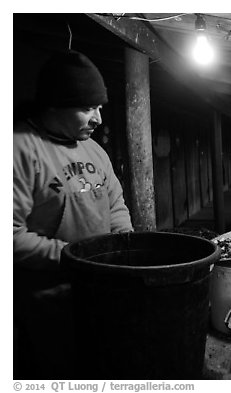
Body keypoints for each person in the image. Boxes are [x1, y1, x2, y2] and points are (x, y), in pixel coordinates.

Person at [13, 50, 133, 378]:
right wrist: (78, 259)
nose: (98, 119)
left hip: (101, 292)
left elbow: (116, 207)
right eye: (87, 108)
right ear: (54, 105)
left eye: (99, 108)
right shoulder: (19, 149)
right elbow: (10, 237)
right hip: (47, 304)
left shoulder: (94, 150)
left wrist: (125, 250)